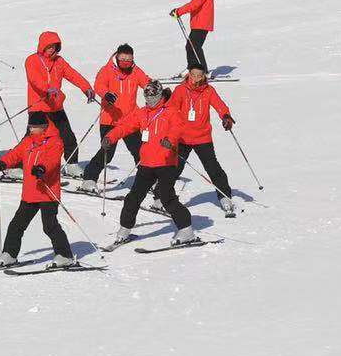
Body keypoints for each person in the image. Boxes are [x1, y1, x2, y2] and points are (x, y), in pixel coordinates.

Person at [100, 81, 196, 247]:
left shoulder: (171, 111)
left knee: (166, 197)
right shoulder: (141, 113)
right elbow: (125, 126)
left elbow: (178, 128)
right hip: (146, 163)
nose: (150, 99)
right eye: (147, 96)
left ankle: (186, 230)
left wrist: (170, 140)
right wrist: (111, 136)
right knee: (133, 198)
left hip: (166, 162)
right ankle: (124, 230)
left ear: (160, 95)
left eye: (154, 96)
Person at [0, 112, 75, 268]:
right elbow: (15, 154)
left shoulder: (55, 142)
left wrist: (42, 168)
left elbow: (52, 160)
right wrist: (2, 163)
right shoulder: (28, 141)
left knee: (50, 226)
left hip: (47, 191)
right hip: (30, 193)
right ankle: (9, 254)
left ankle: (65, 255)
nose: (30, 130)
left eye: (34, 127)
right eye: (29, 126)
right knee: (16, 225)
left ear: (43, 127)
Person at [75, 44, 151, 191]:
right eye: (123, 59)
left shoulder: (135, 70)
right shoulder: (107, 70)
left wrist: (156, 90)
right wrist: (106, 94)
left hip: (130, 120)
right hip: (110, 119)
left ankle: (148, 181)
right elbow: (99, 85)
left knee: (140, 151)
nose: (126, 62)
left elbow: (146, 82)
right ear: (117, 57)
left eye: (129, 60)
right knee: (107, 153)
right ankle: (89, 179)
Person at [171, 64, 238, 216]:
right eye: (192, 75)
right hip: (182, 137)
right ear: (188, 75)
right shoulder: (181, 90)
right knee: (174, 169)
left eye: (198, 75)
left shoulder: (209, 91)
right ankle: (161, 198)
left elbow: (220, 105)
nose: (195, 78)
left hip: (202, 137)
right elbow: (172, 109)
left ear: (204, 76)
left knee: (213, 169)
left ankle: (225, 196)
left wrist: (225, 116)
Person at [24, 31, 94, 162]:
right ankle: (16, 166)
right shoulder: (32, 60)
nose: (52, 49)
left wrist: (86, 87)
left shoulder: (59, 61)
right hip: (38, 107)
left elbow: (73, 74)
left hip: (56, 107)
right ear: (42, 45)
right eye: (49, 46)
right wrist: (47, 89)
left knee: (68, 137)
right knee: (30, 140)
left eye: (54, 46)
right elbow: (34, 79)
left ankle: (72, 164)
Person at [170, 0, 216, 74]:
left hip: (201, 23)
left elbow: (194, 5)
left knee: (194, 47)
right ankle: (192, 68)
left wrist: (179, 11)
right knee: (191, 46)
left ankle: (202, 71)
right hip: (199, 23)